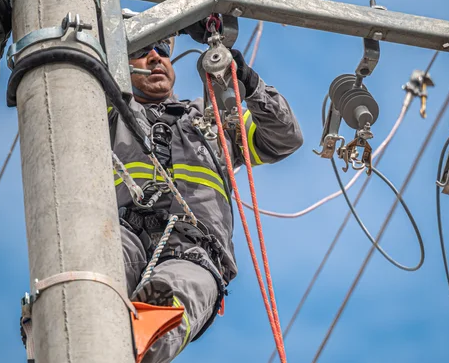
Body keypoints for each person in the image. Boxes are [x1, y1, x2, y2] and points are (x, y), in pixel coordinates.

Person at [109, 18, 303, 362]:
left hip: (193, 250)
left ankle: (143, 326)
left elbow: (284, 138)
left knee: (171, 304)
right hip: (121, 234)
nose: (156, 58)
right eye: (141, 52)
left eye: (163, 51)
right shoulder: (107, 113)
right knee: (95, 279)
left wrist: (246, 81)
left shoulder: (212, 121)